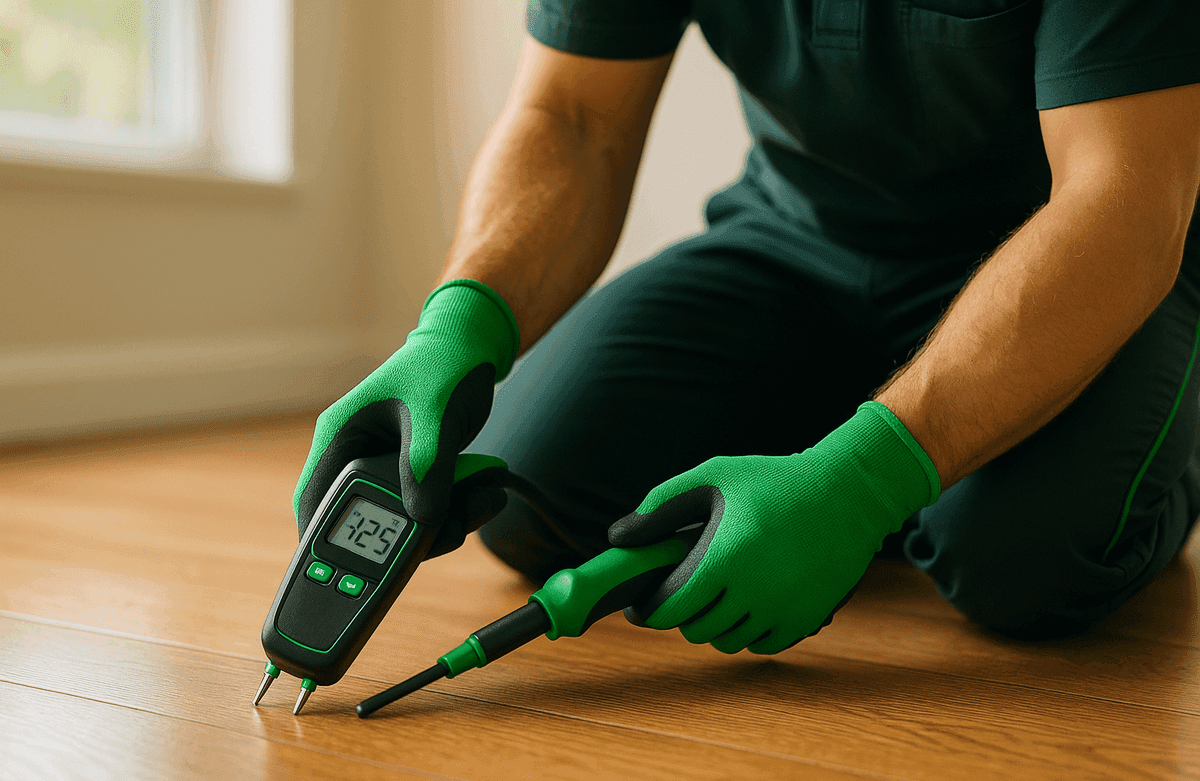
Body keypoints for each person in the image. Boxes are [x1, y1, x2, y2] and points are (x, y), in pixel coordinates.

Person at [294, 1, 1200, 650]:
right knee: (539, 506)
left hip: (1072, 251)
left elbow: (1122, 195)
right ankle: (860, 459)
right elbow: (572, 116)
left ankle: (1151, 443)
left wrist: (862, 485)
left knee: (1024, 567)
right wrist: (455, 327)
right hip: (794, 241)